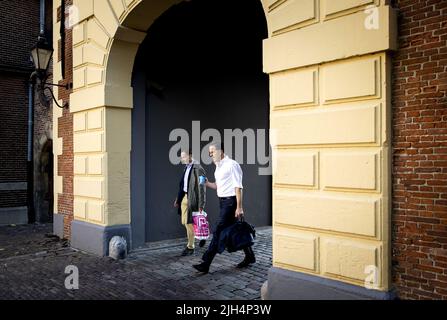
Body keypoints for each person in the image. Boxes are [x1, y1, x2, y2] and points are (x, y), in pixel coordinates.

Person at [193, 143, 255, 273]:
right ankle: (249, 256)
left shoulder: (232, 165)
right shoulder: (218, 167)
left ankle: (206, 263)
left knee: (218, 231)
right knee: (238, 229)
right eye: (209, 152)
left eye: (212, 151)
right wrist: (206, 183)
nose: (210, 154)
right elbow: (218, 186)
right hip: (223, 202)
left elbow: (238, 187)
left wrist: (239, 207)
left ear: (221, 151)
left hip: (230, 203)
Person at [174, 150, 207, 256]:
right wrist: (178, 199)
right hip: (184, 197)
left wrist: (201, 204)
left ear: (190, 156)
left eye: (184, 157)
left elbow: (202, 187)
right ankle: (200, 234)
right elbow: (182, 184)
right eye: (181, 157)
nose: (182, 159)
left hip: (192, 198)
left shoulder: (199, 168)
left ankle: (190, 247)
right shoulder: (186, 167)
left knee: (188, 222)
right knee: (184, 222)